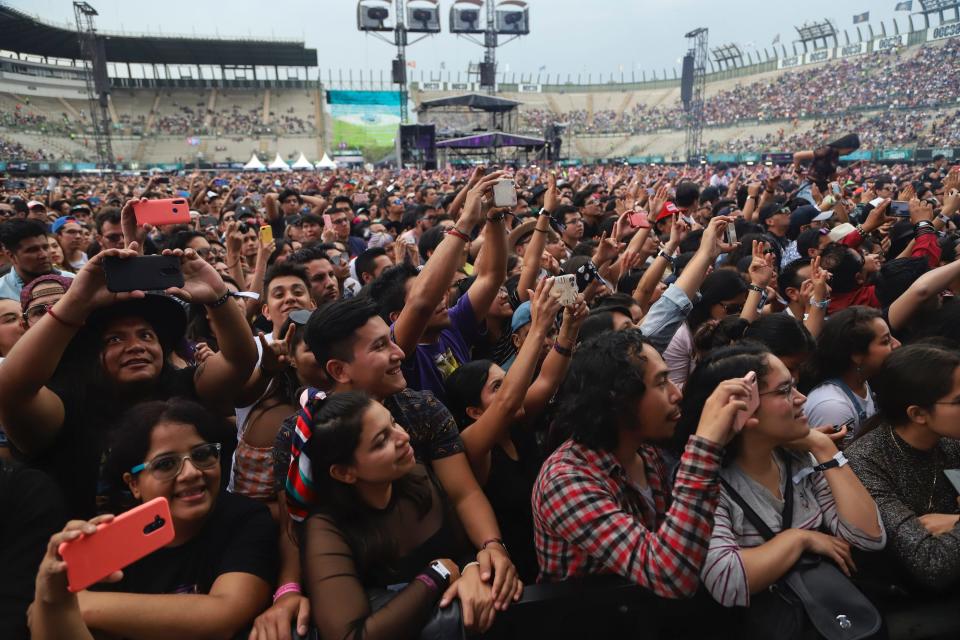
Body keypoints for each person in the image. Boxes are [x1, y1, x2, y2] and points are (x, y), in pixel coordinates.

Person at [0, 242, 257, 518]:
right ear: (92, 355)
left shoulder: (187, 387)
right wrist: (74, 303)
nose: (136, 346)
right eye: (115, 339)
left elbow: (238, 360)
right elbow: (12, 390)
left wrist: (218, 295)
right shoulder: (66, 406)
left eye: (146, 335)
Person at [29, 399, 277, 639]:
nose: (191, 472)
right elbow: (43, 625)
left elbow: (223, 616)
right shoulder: (110, 541)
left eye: (202, 454)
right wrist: (52, 599)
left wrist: (83, 604)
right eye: (166, 464)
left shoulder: (245, 519)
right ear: (134, 483)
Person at [288, 391, 522, 639]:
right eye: (381, 441)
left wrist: (476, 570)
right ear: (345, 472)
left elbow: (458, 551)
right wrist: (436, 576)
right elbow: (350, 635)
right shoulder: (325, 529)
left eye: (393, 423)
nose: (403, 437)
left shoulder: (418, 478)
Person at [532, 329, 748, 596]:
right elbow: (669, 574)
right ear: (618, 399)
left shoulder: (645, 452)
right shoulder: (565, 481)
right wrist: (704, 449)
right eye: (660, 383)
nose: (676, 394)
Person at [677, 344, 884, 614]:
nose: (801, 399)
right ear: (741, 407)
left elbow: (869, 536)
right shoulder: (706, 484)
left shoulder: (799, 459)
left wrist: (823, 447)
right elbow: (727, 581)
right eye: (784, 390)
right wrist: (798, 539)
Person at [444, 280, 584, 581]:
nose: (510, 389)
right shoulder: (472, 446)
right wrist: (537, 327)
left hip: (553, 559)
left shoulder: (517, 422)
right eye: (498, 386)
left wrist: (569, 328)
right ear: (474, 412)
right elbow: (506, 404)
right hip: (517, 577)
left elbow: (546, 380)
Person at [846, 343, 960, 592]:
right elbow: (931, 563)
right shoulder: (865, 462)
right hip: (907, 603)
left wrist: (953, 520)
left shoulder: (950, 440)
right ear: (918, 414)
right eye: (958, 401)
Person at [803, 306, 900, 442]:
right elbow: (836, 461)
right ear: (857, 355)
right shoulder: (833, 406)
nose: (897, 344)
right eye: (885, 341)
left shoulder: (862, 381)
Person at [0, 218, 75, 301]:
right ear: (11, 256)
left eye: (45, 247)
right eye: (32, 250)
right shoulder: (2, 291)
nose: (44, 255)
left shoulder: (73, 281)